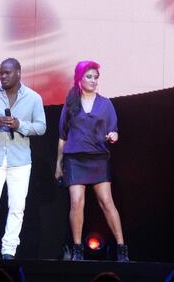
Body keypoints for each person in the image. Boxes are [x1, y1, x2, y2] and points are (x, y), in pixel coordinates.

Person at [55, 60, 128, 262]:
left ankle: (122, 248)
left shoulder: (106, 104)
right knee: (77, 203)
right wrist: (58, 165)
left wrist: (113, 136)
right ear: (79, 79)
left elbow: (114, 131)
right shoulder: (71, 103)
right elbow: (62, 136)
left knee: (106, 202)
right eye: (89, 77)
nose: (93, 81)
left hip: (98, 158)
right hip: (74, 158)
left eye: (96, 77)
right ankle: (77, 249)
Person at [0, 58, 46, 259]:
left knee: (17, 207)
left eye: (7, 73)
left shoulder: (33, 98)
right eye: (1, 73)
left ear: (19, 73)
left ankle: (9, 250)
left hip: (20, 161)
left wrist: (20, 125)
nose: (3, 76)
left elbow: (41, 127)